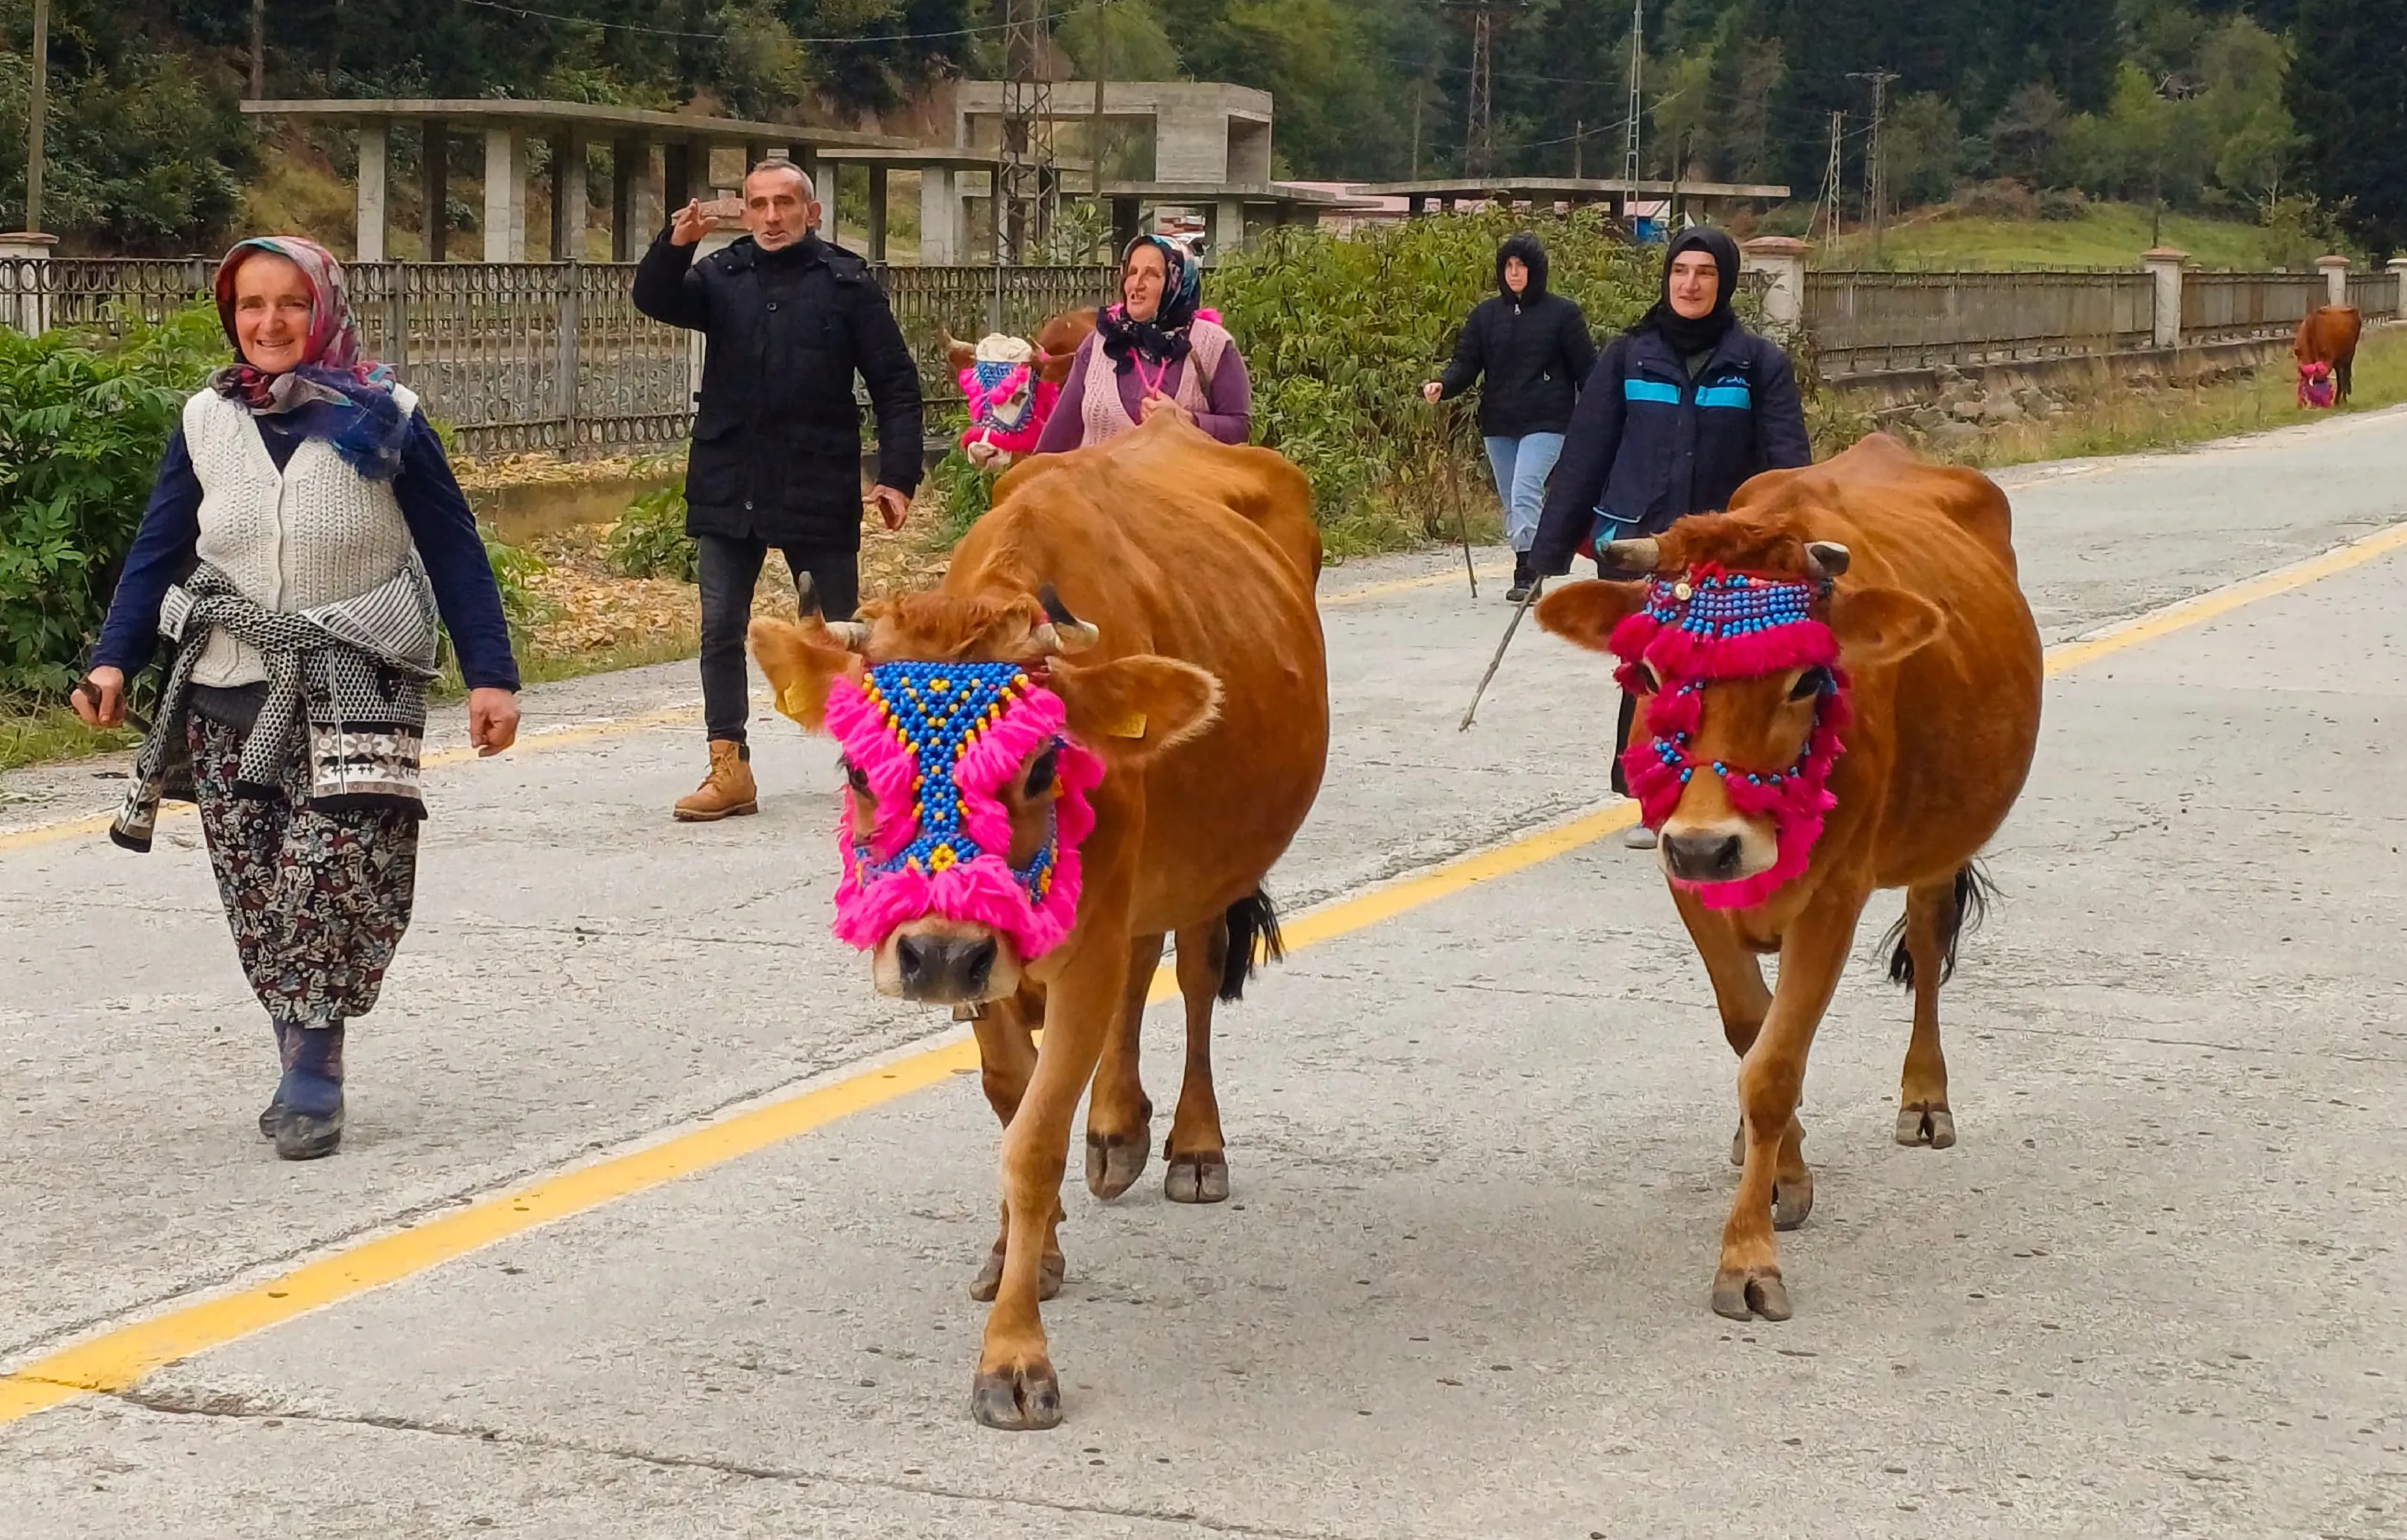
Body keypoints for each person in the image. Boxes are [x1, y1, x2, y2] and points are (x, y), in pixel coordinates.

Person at [72, 235, 521, 1159]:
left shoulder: (385, 414)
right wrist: (113, 659)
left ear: (323, 309)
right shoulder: (205, 418)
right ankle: (299, 1043)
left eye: (289, 304)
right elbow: (160, 548)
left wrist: (491, 673)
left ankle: (314, 1061)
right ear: (230, 315)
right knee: (254, 882)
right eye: (250, 306)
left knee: (329, 871)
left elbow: (452, 546)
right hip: (228, 682)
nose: (269, 323)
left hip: (361, 675)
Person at [633, 159, 923, 822]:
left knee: (843, 635)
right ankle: (728, 768)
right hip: (729, 478)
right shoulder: (720, 275)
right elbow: (655, 298)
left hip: (816, 482)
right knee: (719, 629)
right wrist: (675, 244)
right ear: (745, 212)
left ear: (811, 213)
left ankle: (873, 768)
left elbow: (896, 387)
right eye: (758, 204)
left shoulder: (847, 284)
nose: (770, 217)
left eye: (784, 204)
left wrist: (898, 477)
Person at [1529, 226, 1812, 850]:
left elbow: (1787, 464)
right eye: (1681, 270)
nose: (1690, 284)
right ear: (1666, 278)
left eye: (1705, 273)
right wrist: (1545, 551)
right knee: (1655, 674)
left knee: (1721, 680)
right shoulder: (1628, 356)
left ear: (1725, 282)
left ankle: (1726, 793)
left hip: (1725, 554)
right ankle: (1650, 800)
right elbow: (1587, 451)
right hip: (1639, 542)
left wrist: (1788, 541)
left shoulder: (1756, 364)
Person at [1423, 233, 1597, 602]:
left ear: (1537, 270)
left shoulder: (1562, 314)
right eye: (1509, 266)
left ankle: (1527, 571)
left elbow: (1588, 369)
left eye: (1522, 265)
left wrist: (1605, 409)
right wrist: (1443, 385)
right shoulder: (1486, 316)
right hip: (1499, 422)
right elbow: (1466, 364)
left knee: (1524, 491)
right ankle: (1533, 554)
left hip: (1549, 421)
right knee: (1512, 497)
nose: (1515, 273)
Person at [1031, 233, 1251, 454]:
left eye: (1152, 274)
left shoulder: (1213, 345)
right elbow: (1059, 436)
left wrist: (1187, 420)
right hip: (1099, 488)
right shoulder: (1100, 343)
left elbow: (1239, 430)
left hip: (1180, 487)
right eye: (1132, 272)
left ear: (1177, 282)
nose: (1136, 284)